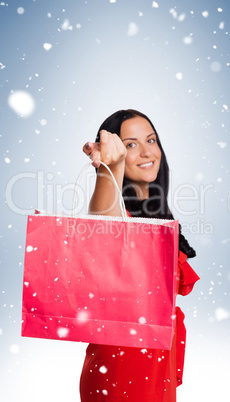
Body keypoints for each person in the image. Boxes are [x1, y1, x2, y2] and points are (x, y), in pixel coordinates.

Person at [80, 109, 199, 401]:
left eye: (151, 140)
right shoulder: (116, 212)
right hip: (121, 371)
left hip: (157, 366)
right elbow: (103, 226)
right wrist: (110, 166)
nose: (147, 152)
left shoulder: (158, 218)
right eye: (130, 144)